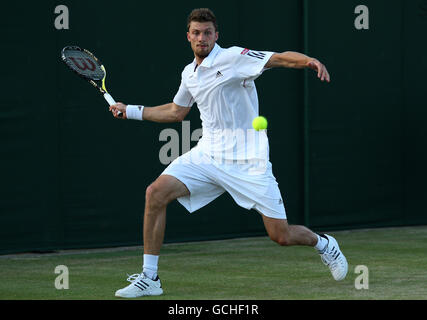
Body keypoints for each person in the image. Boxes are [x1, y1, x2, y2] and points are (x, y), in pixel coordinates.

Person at [110, 8, 348, 298]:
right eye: (196, 33)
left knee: (281, 236)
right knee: (155, 193)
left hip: (249, 161)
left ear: (216, 35)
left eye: (207, 32)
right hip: (207, 155)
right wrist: (131, 111)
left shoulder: (235, 57)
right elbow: (176, 112)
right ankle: (150, 278)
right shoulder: (189, 73)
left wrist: (309, 61)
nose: (202, 38)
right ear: (188, 36)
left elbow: (280, 57)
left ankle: (324, 244)